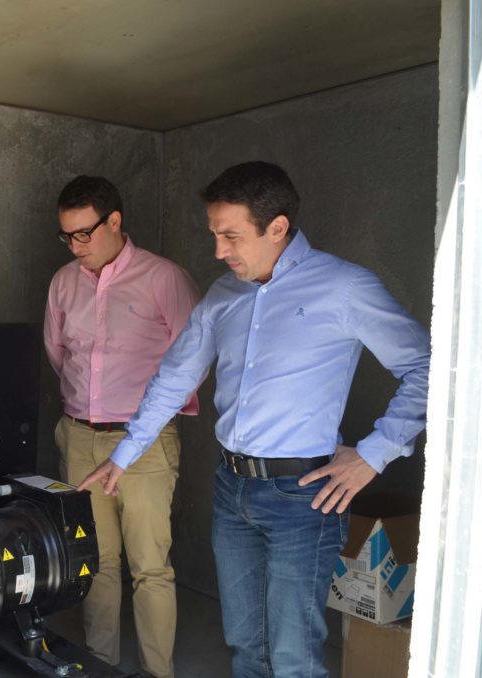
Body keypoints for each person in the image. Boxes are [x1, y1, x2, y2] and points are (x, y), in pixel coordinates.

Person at [78, 161, 430, 678]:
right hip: (232, 489)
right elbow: (175, 378)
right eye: (214, 235)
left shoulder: (344, 287)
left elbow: (425, 367)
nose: (219, 251)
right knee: (245, 644)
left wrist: (373, 454)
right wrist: (124, 454)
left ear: (277, 227)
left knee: (293, 658)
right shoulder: (223, 295)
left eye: (231, 236)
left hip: (304, 497)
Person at [44, 175, 200, 677]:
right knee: (96, 560)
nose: (75, 246)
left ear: (114, 221)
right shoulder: (63, 282)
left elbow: (193, 360)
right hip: (79, 436)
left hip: (146, 441)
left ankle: (157, 673)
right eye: (66, 235)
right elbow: (58, 353)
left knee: (150, 566)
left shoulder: (165, 279)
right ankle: (100, 666)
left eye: (83, 233)